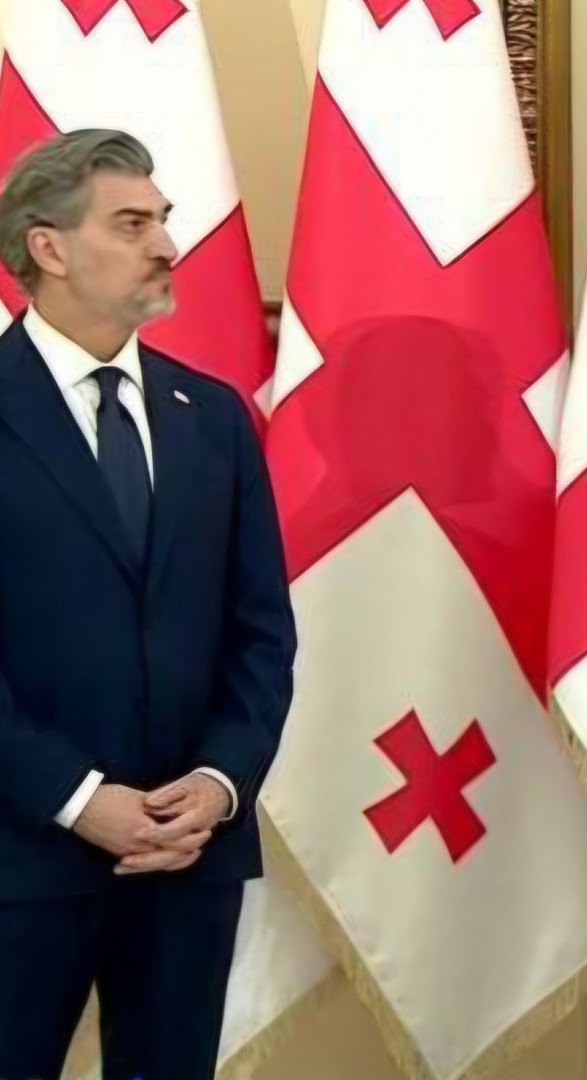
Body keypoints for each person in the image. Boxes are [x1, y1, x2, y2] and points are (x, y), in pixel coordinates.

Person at [0, 130, 296, 1080]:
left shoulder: (212, 417)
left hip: (186, 857)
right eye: (132, 224)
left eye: (162, 220)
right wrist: (78, 800)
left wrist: (216, 784)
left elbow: (261, 635)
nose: (167, 244)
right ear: (47, 247)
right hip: (19, 854)